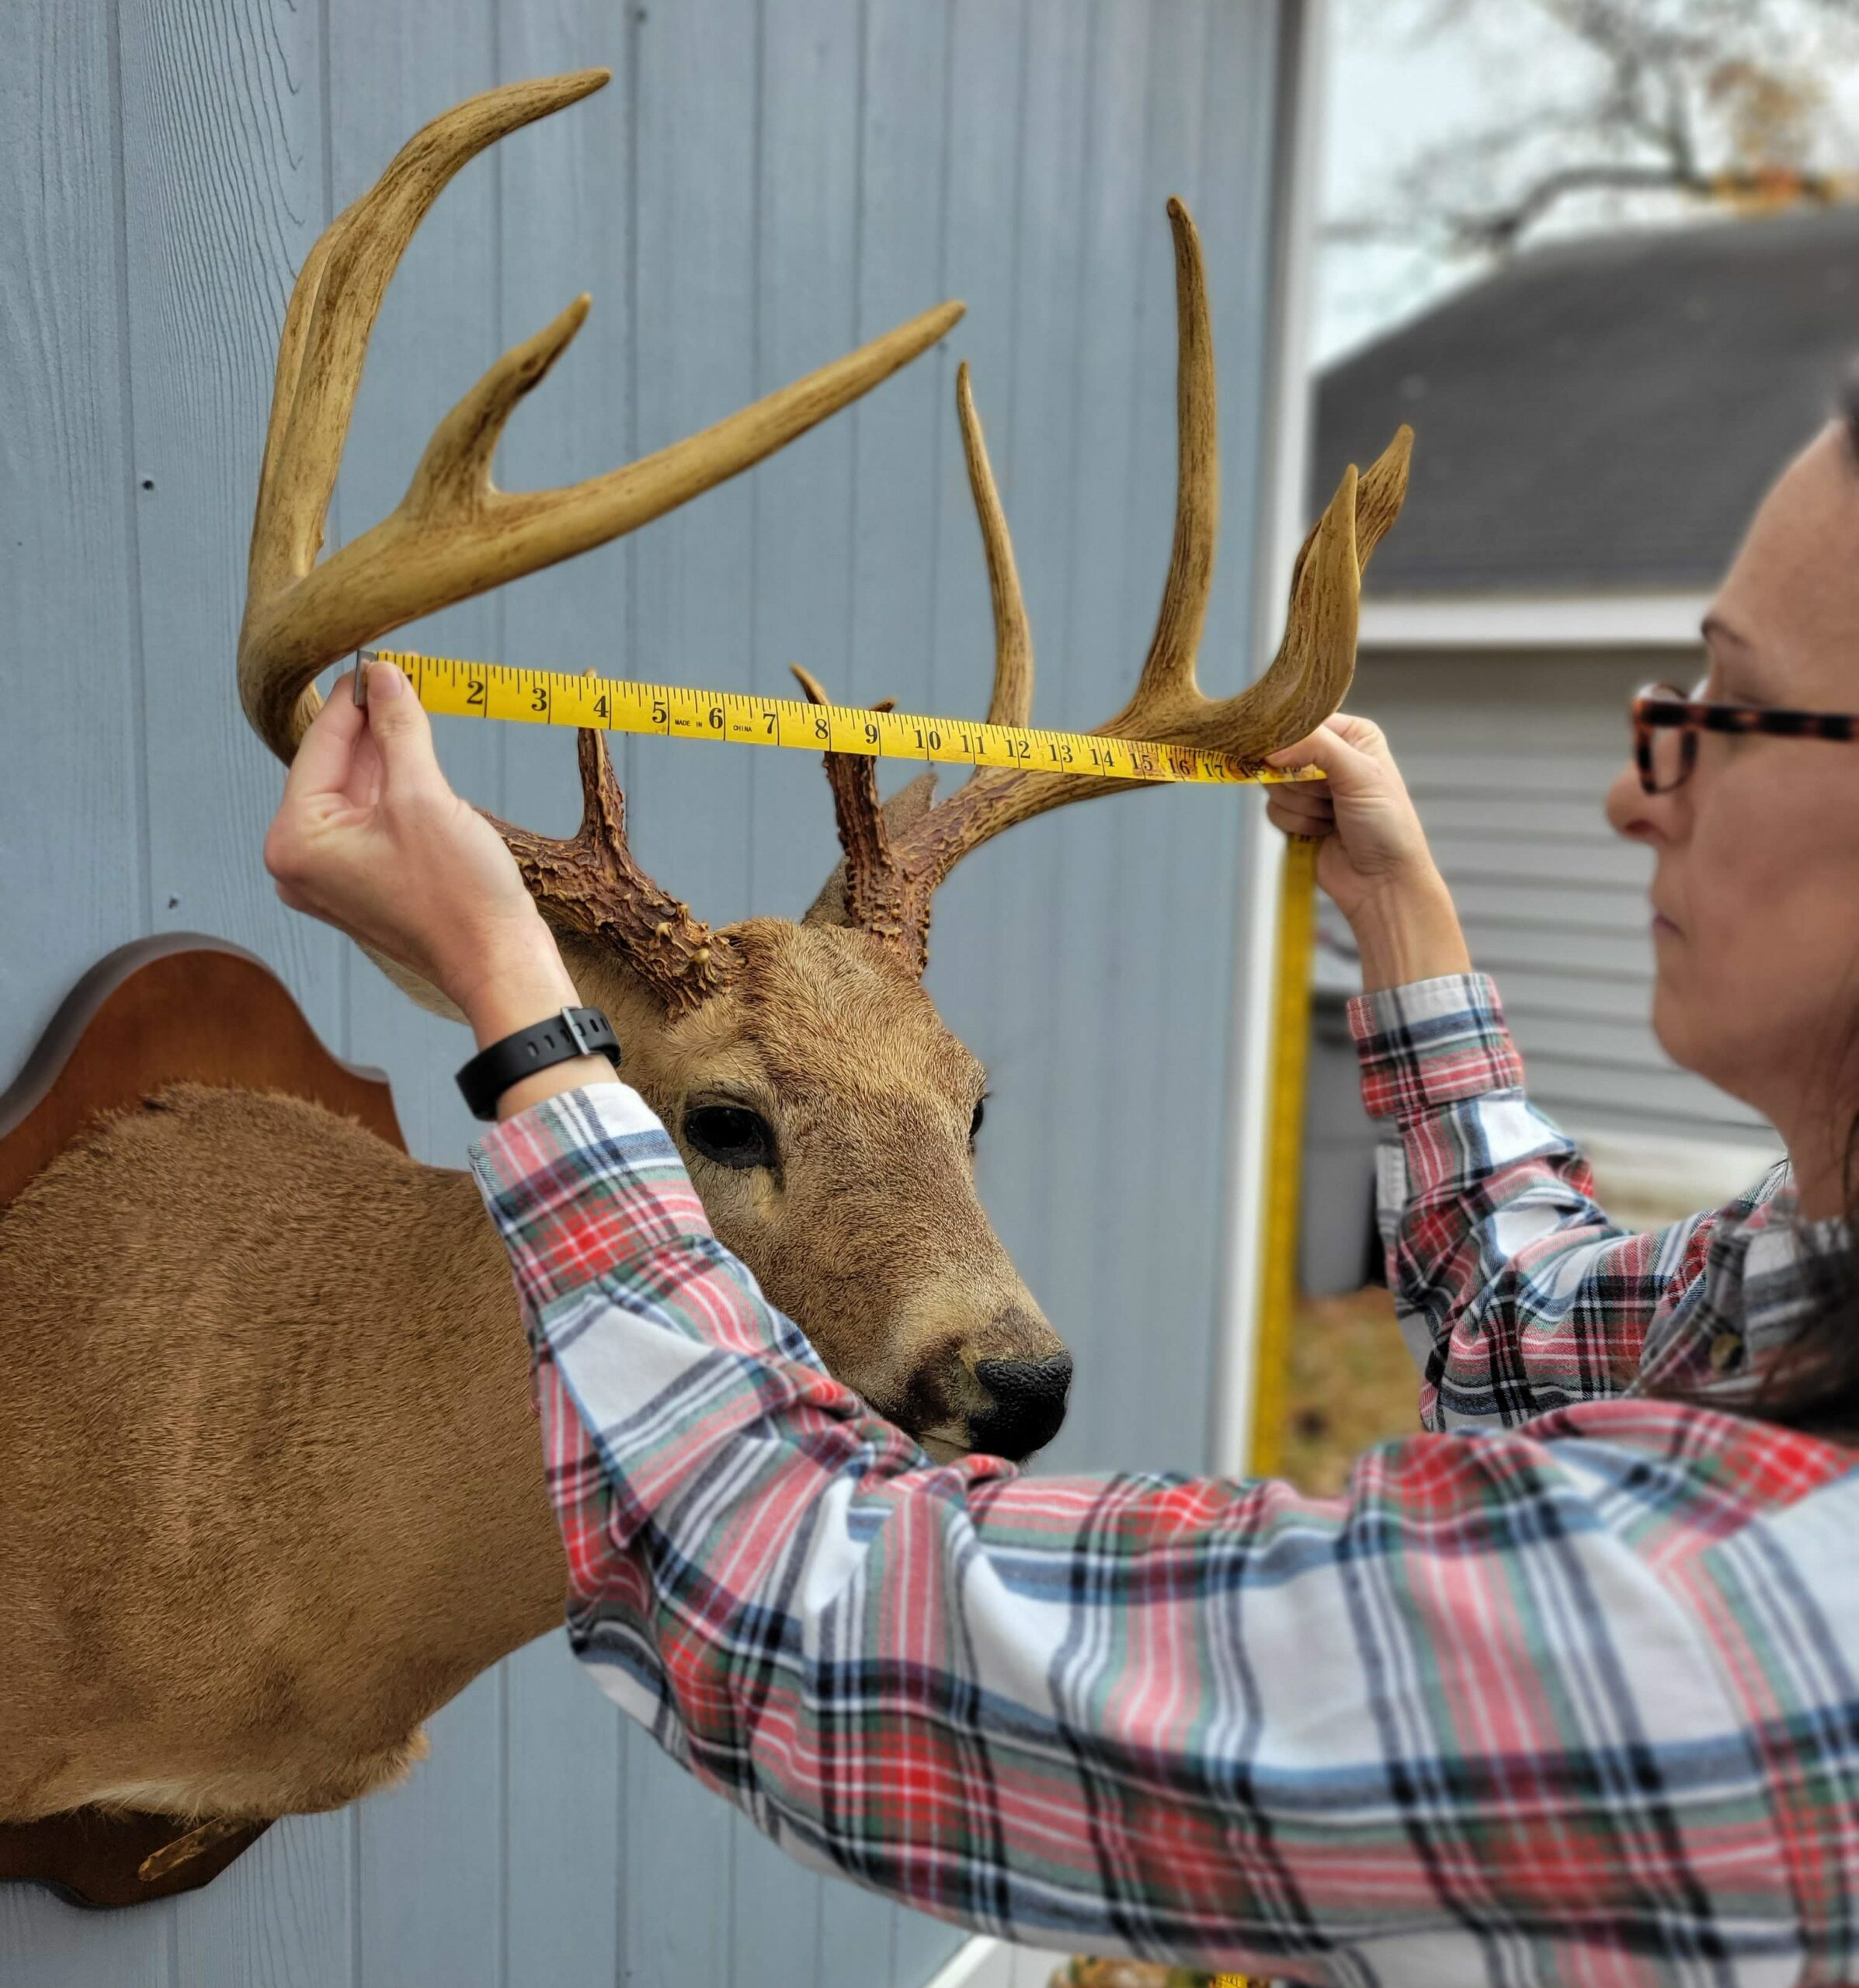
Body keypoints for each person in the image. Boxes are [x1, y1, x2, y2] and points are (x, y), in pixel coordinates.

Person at [262, 408, 1859, 1988]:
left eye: (1733, 709)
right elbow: (1529, 1338)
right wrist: (1400, 908)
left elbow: (804, 1611)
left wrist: (531, 1033)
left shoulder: (1733, 1634)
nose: (1633, 793)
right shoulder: (1813, 1296)